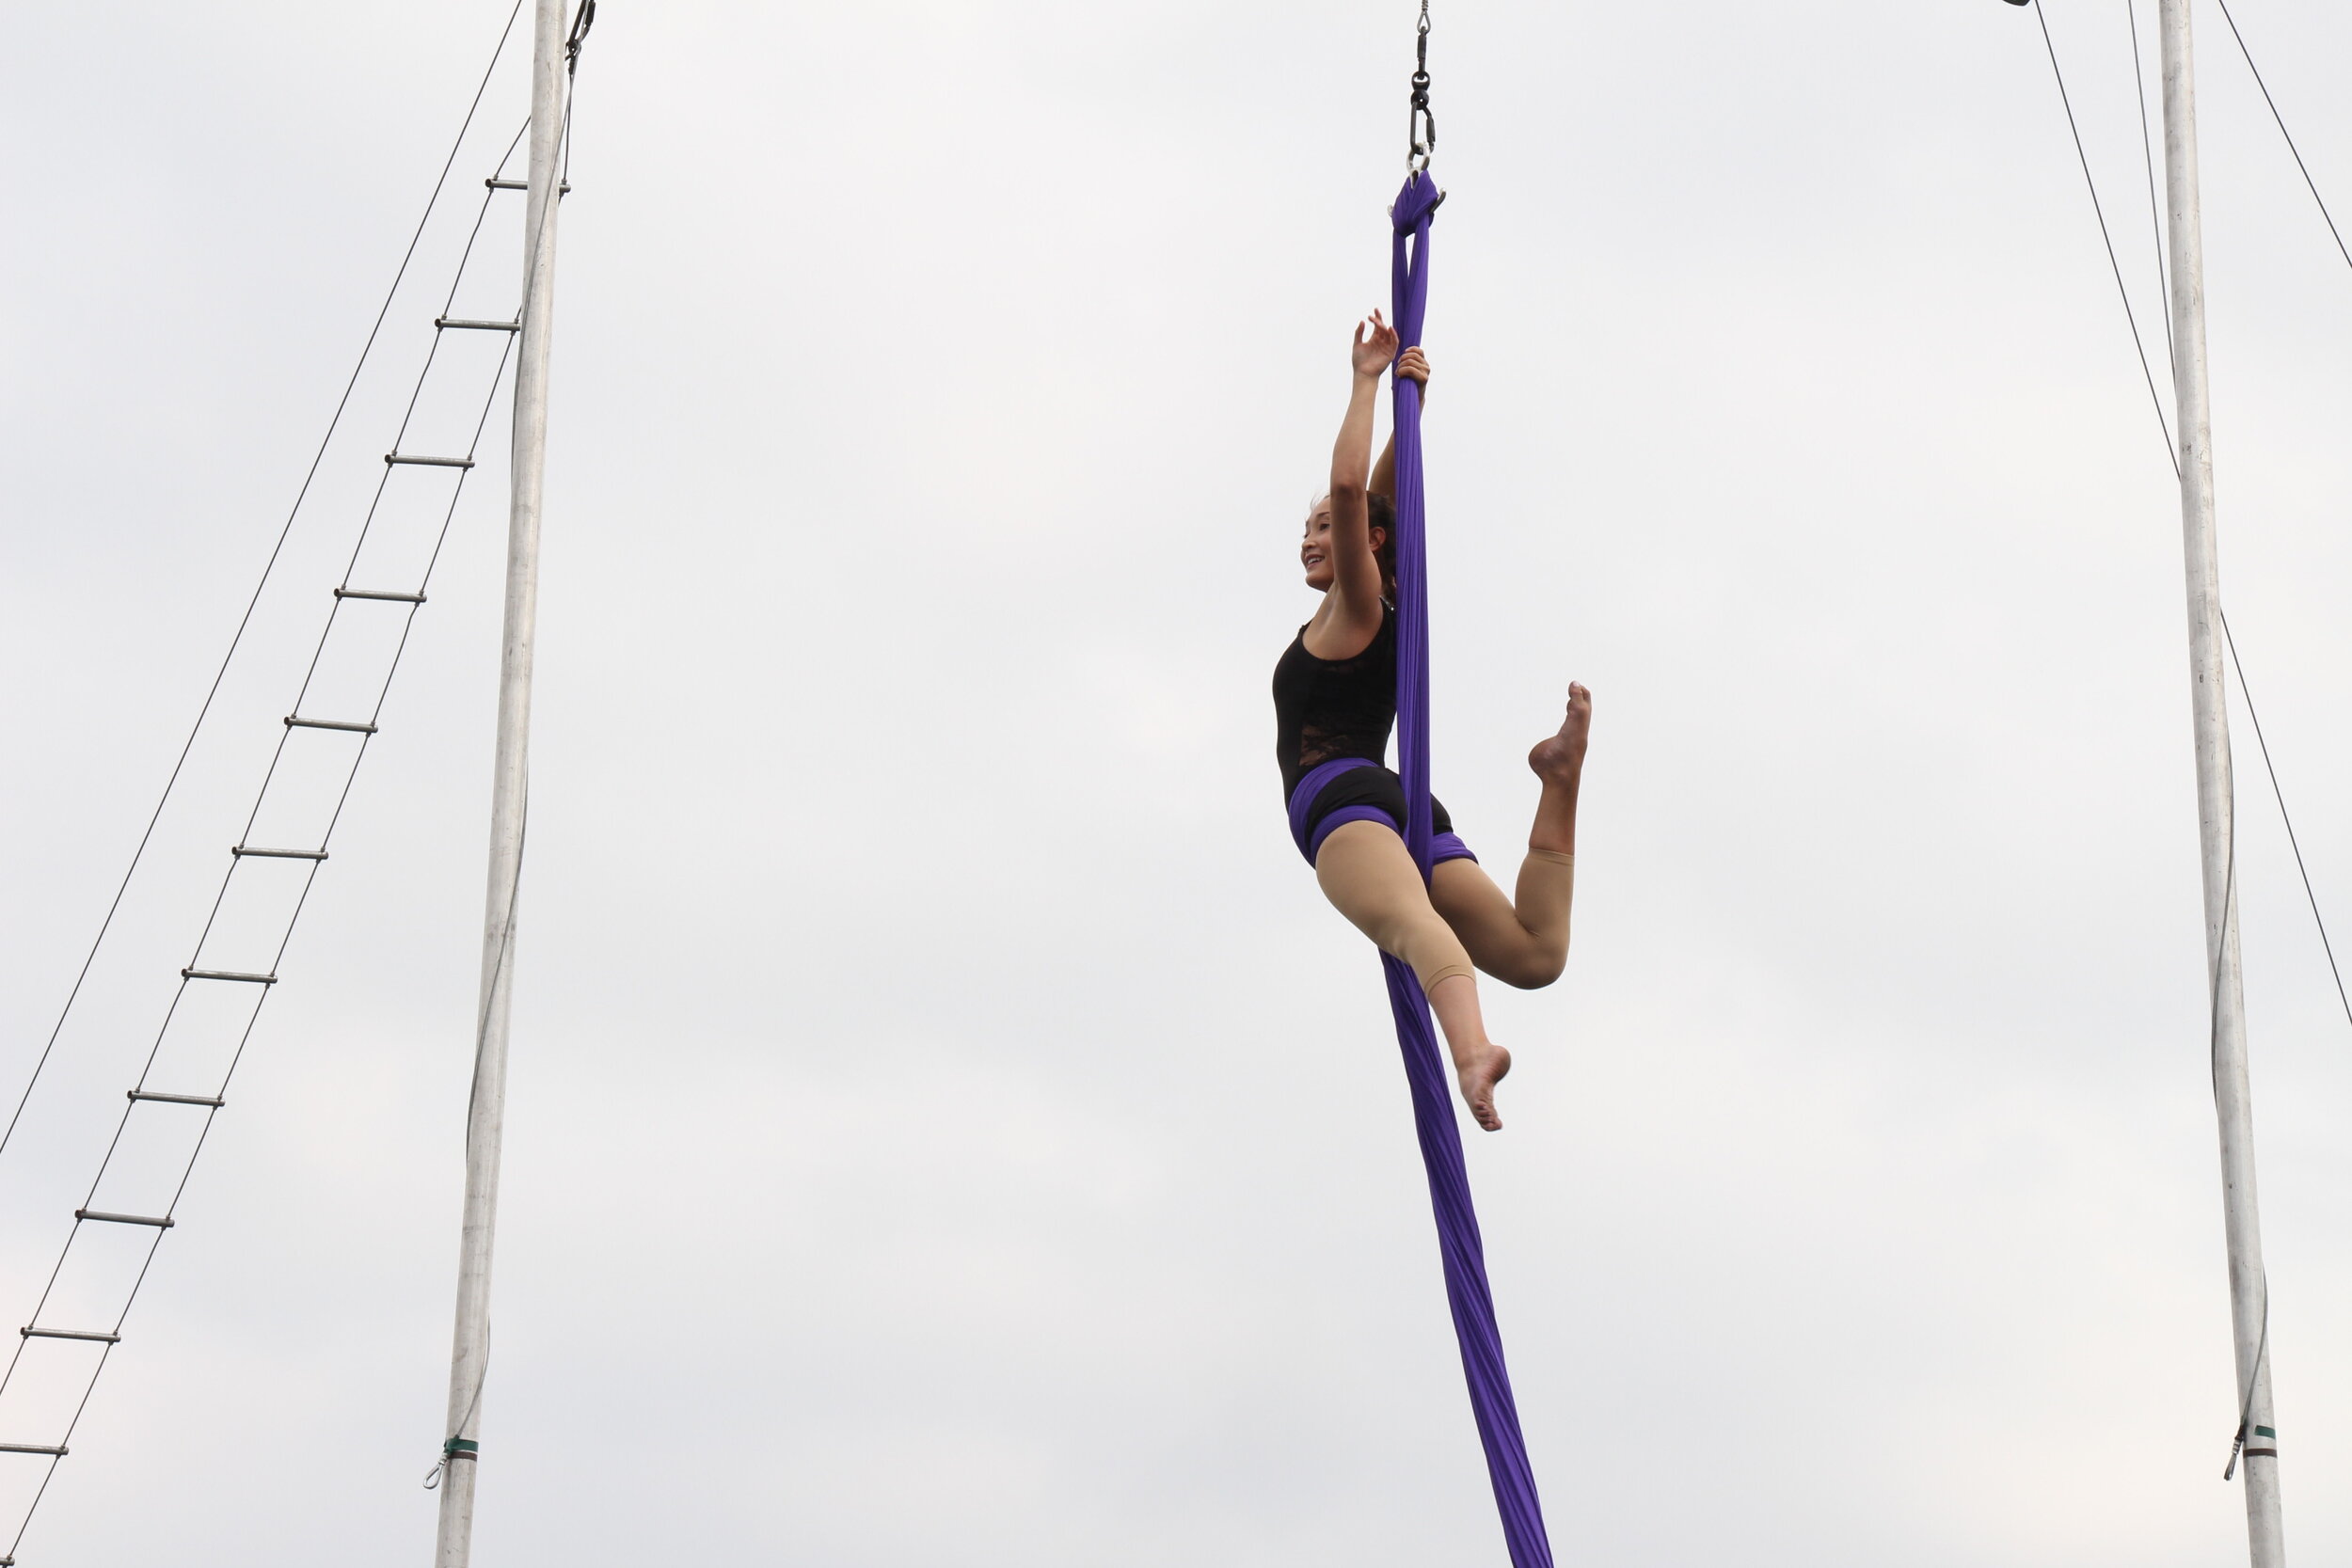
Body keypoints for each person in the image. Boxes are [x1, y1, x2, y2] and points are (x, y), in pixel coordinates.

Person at [1273, 309, 1589, 1132]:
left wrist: (1366, 382)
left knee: (1414, 928)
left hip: (1343, 801)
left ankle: (1472, 1050)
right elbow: (1375, 501)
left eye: (1320, 532)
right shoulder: (1388, 603)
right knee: (1534, 954)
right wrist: (1409, 412)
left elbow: (1353, 496)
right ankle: (1558, 781)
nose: (1309, 542)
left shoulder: (1355, 607)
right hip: (1407, 804)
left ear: (1362, 543)